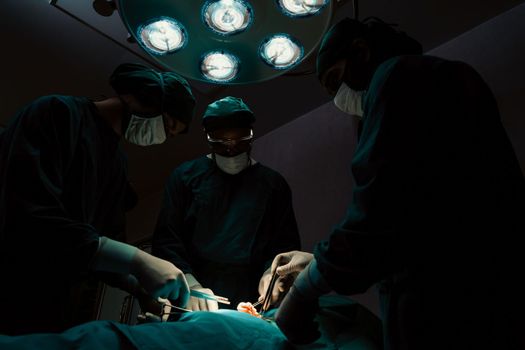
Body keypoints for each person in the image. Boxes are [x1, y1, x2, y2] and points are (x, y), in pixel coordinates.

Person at [268, 18, 525, 349]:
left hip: (454, 308)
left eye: (335, 81)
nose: (338, 100)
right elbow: (408, 215)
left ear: (361, 52)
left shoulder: (400, 76)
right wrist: (319, 262)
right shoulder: (444, 78)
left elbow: (377, 216)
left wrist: (305, 289)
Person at [0, 63, 196, 335]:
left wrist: (138, 285)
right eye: (167, 126)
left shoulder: (117, 165)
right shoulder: (57, 113)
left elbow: (105, 240)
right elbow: (29, 216)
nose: (162, 138)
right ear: (139, 98)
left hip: (52, 304)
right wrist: (136, 260)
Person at [152, 96, 301, 311]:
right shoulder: (185, 177)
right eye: (221, 143)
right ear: (208, 138)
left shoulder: (273, 185)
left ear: (250, 136)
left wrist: (273, 275)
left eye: (239, 141)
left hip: (253, 296)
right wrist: (188, 282)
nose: (231, 149)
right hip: (193, 292)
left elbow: (285, 246)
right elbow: (167, 240)